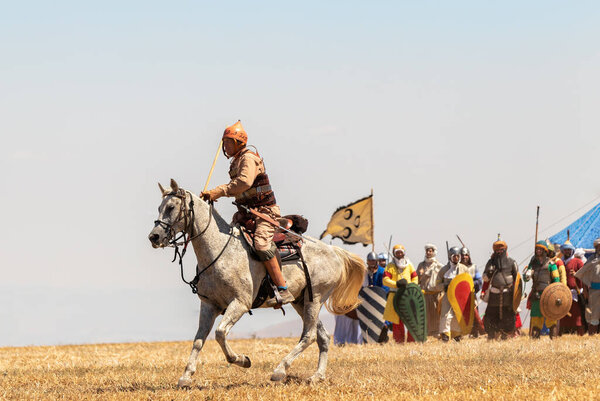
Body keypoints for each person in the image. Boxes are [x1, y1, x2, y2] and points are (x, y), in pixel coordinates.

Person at [201, 121, 294, 304]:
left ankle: (282, 288)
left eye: (228, 142)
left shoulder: (248, 158)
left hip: (264, 212)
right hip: (247, 213)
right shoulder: (236, 161)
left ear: (238, 143)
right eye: (224, 142)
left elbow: (244, 183)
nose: (225, 147)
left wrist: (217, 191)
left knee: (260, 244)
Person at [431, 246, 470, 342]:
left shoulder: (464, 269)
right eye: (454, 256)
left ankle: (457, 335)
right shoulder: (444, 270)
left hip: (460, 297)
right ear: (450, 257)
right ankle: (445, 334)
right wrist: (445, 285)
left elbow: (468, 282)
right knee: (446, 315)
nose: (456, 258)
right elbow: (437, 284)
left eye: (457, 256)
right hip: (447, 296)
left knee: (458, 315)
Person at [524, 241, 561, 339]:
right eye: (537, 249)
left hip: (549, 294)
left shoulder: (551, 264)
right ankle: (535, 338)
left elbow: (556, 279)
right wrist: (526, 275)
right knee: (536, 316)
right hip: (536, 293)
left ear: (545, 250)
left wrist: (556, 291)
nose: (538, 251)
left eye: (540, 249)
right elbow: (525, 278)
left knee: (550, 317)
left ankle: (553, 338)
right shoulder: (533, 264)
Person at [482, 240, 518, 340]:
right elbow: (485, 278)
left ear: (505, 249)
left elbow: (517, 279)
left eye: (501, 249)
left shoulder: (512, 262)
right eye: (497, 250)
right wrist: (489, 272)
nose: (499, 252)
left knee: (508, 314)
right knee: (491, 314)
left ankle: (505, 334)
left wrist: (516, 293)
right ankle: (491, 334)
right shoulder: (490, 262)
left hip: (508, 293)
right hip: (495, 293)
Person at [382, 244, 418, 343]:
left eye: (401, 252)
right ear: (394, 254)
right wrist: (396, 284)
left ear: (404, 253)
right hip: (395, 295)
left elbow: (415, 277)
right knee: (397, 321)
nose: (399, 254)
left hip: (408, 295)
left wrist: (411, 285)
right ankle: (399, 342)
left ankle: (412, 341)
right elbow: (385, 280)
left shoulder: (409, 265)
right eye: (397, 252)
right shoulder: (390, 266)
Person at [416, 244, 444, 337]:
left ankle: (437, 334)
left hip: (435, 295)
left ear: (433, 252)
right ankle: (426, 334)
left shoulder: (439, 265)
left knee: (436, 315)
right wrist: (420, 275)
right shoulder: (421, 265)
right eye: (427, 251)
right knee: (425, 316)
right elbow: (417, 280)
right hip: (424, 294)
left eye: (430, 251)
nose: (428, 252)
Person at [575, 238, 600, 335]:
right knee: (593, 315)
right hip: (594, 291)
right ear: (596, 247)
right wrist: (585, 291)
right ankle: (592, 336)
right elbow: (583, 274)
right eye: (598, 246)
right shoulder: (591, 260)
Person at [559, 241, 585, 335]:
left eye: (569, 250)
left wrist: (576, 274)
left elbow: (584, 275)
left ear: (572, 251)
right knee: (563, 317)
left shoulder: (578, 262)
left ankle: (579, 335)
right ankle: (563, 335)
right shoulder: (559, 262)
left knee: (576, 316)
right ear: (562, 251)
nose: (567, 252)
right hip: (562, 294)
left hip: (575, 294)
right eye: (565, 250)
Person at [461, 247, 485, 337]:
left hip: (471, 294)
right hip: (460, 295)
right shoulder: (457, 267)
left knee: (474, 314)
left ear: (469, 256)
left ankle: (474, 332)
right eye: (462, 255)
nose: (464, 257)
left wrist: (469, 283)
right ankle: (460, 333)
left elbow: (479, 280)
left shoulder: (473, 267)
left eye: (466, 255)